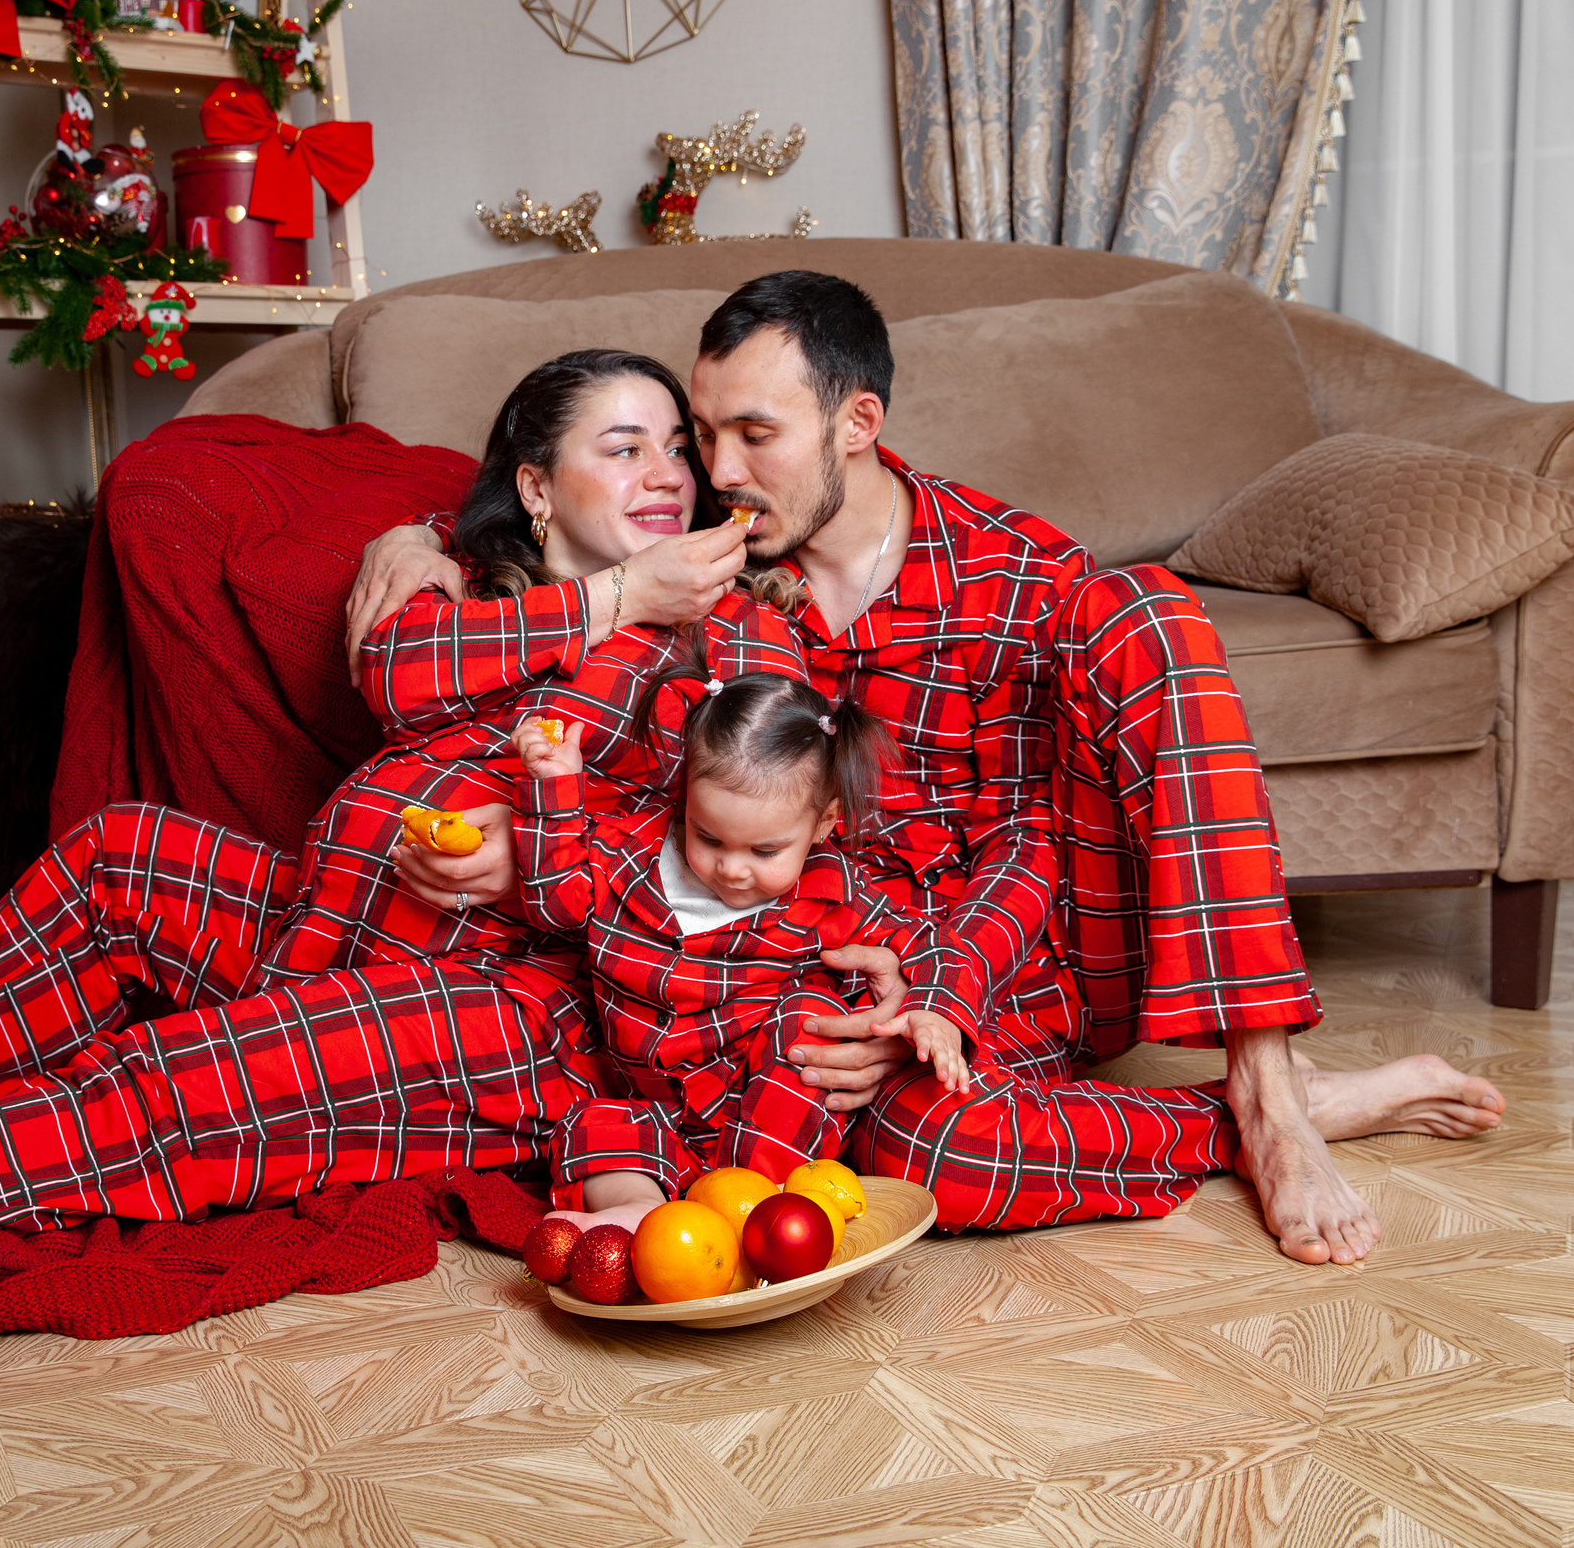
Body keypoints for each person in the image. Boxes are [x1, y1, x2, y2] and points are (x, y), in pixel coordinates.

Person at [0, 350, 894, 1289]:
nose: (662, 474)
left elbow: (739, 854)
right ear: (537, 488)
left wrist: (562, 840)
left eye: (674, 453)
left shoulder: (714, 653)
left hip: (509, 1005)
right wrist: (582, 596)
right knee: (117, 853)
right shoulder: (473, 597)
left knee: (165, 1084)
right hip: (328, 934)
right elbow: (399, 673)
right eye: (622, 445)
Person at [346, 272, 1508, 1267]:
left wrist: (943, 984)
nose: (715, 469)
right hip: (821, 975)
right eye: (703, 434)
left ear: (855, 423)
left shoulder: (1013, 575)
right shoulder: (716, 568)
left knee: (1145, 608)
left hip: (1019, 954)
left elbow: (1030, 844)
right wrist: (416, 538)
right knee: (924, 1154)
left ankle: (1269, 1082)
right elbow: (559, 520)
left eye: (755, 434)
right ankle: (1265, 1120)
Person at [511, 672, 977, 1231]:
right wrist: (552, 790)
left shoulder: (831, 894)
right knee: (595, 1125)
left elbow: (931, 945)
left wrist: (936, 1012)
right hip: (654, 1113)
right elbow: (556, 906)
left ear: (823, 823)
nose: (732, 869)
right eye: (708, 838)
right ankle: (647, 1221)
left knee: (812, 1017)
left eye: (764, 850)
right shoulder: (627, 856)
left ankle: (759, 1212)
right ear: (686, 795)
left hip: (765, 1120)